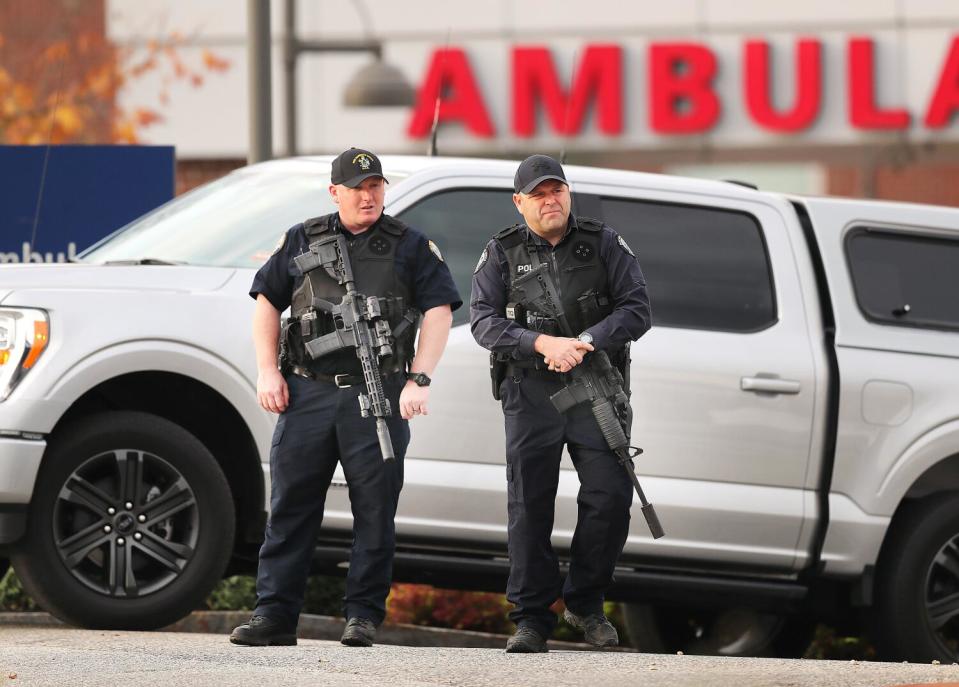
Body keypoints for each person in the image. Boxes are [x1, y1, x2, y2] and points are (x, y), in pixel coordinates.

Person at [231, 147, 461, 648]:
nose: (368, 195)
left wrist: (418, 379)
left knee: (375, 510)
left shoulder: (410, 245)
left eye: (376, 186)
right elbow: (267, 301)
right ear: (334, 192)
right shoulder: (302, 238)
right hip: (307, 393)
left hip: (374, 397)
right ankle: (274, 616)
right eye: (357, 188)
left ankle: (362, 615)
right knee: (291, 506)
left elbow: (439, 310)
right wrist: (268, 371)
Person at [470, 154, 651, 653]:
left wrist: (588, 339)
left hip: (596, 385)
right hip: (530, 391)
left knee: (610, 498)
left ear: (568, 194)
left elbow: (638, 309)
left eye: (558, 191)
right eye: (539, 194)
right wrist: (541, 344)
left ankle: (586, 605)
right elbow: (483, 322)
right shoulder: (502, 252)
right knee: (529, 503)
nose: (551, 201)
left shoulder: (603, 243)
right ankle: (531, 618)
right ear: (519, 202)